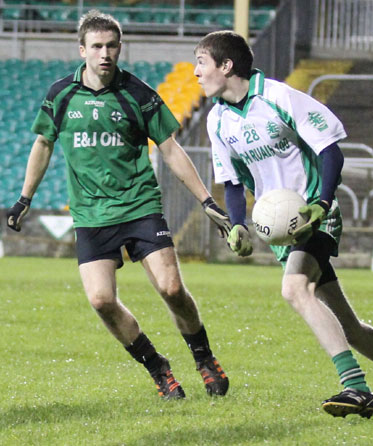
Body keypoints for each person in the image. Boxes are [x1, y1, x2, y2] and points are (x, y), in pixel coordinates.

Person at [193, 30, 373, 418]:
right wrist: (238, 224)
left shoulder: (278, 97)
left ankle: (356, 388)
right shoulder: (217, 120)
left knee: (295, 289)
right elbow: (232, 182)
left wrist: (321, 202)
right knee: (350, 328)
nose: (195, 72)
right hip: (280, 231)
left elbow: (330, 151)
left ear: (226, 66)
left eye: (201, 62)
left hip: (314, 215)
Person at [6, 10, 231, 400]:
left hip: (140, 205)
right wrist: (25, 198)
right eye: (97, 46)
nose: (105, 53)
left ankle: (204, 357)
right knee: (100, 299)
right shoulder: (61, 94)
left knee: (172, 288)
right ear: (83, 50)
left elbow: (171, 150)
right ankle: (158, 368)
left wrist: (208, 200)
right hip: (91, 214)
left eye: (111, 46)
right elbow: (42, 144)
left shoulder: (139, 94)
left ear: (120, 48)